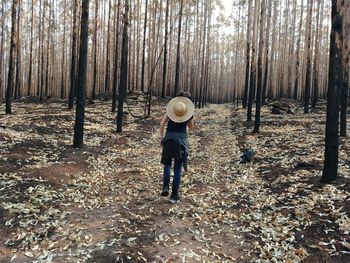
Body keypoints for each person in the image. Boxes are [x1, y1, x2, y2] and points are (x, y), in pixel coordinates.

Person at [159, 91, 195, 204]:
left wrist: (162, 137)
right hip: (181, 142)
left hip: (169, 139)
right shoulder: (187, 113)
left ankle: (165, 187)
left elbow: (161, 124)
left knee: (167, 164)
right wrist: (189, 118)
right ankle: (174, 196)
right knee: (178, 168)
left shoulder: (171, 110)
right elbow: (191, 127)